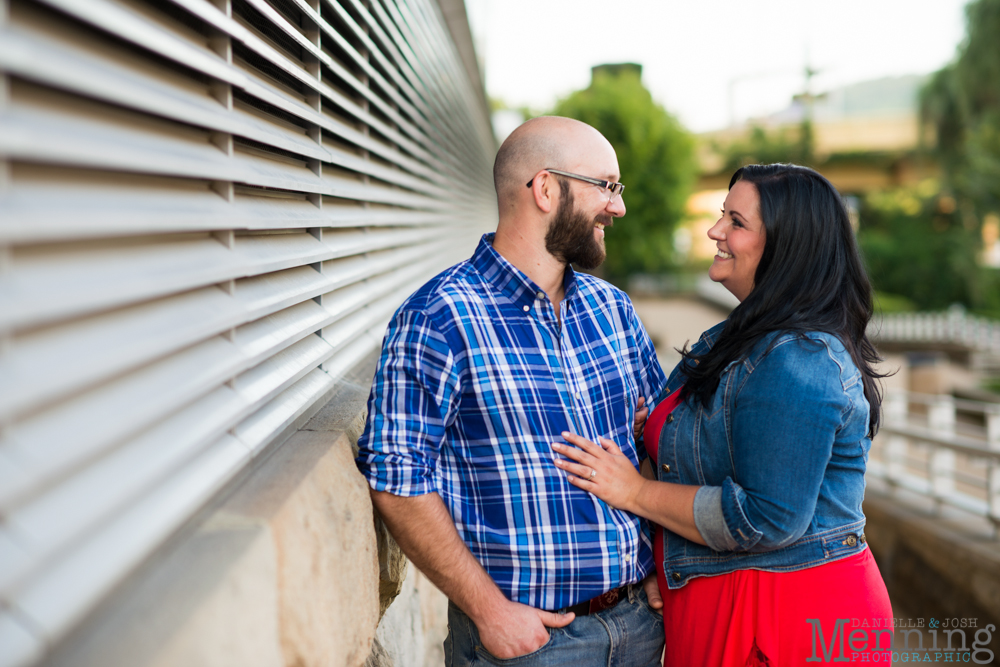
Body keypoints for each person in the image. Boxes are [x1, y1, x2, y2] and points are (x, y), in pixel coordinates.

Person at [355, 116, 667, 666]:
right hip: (530, 646)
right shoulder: (439, 316)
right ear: (547, 189)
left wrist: (665, 566)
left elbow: (663, 441)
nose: (617, 207)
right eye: (607, 186)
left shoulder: (612, 310)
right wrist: (489, 611)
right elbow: (396, 473)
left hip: (641, 629)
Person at [553, 163, 893, 666]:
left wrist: (634, 492)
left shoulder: (798, 359)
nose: (715, 232)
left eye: (736, 221)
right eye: (721, 215)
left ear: (786, 246)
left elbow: (767, 517)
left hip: (784, 617)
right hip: (729, 602)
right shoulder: (739, 339)